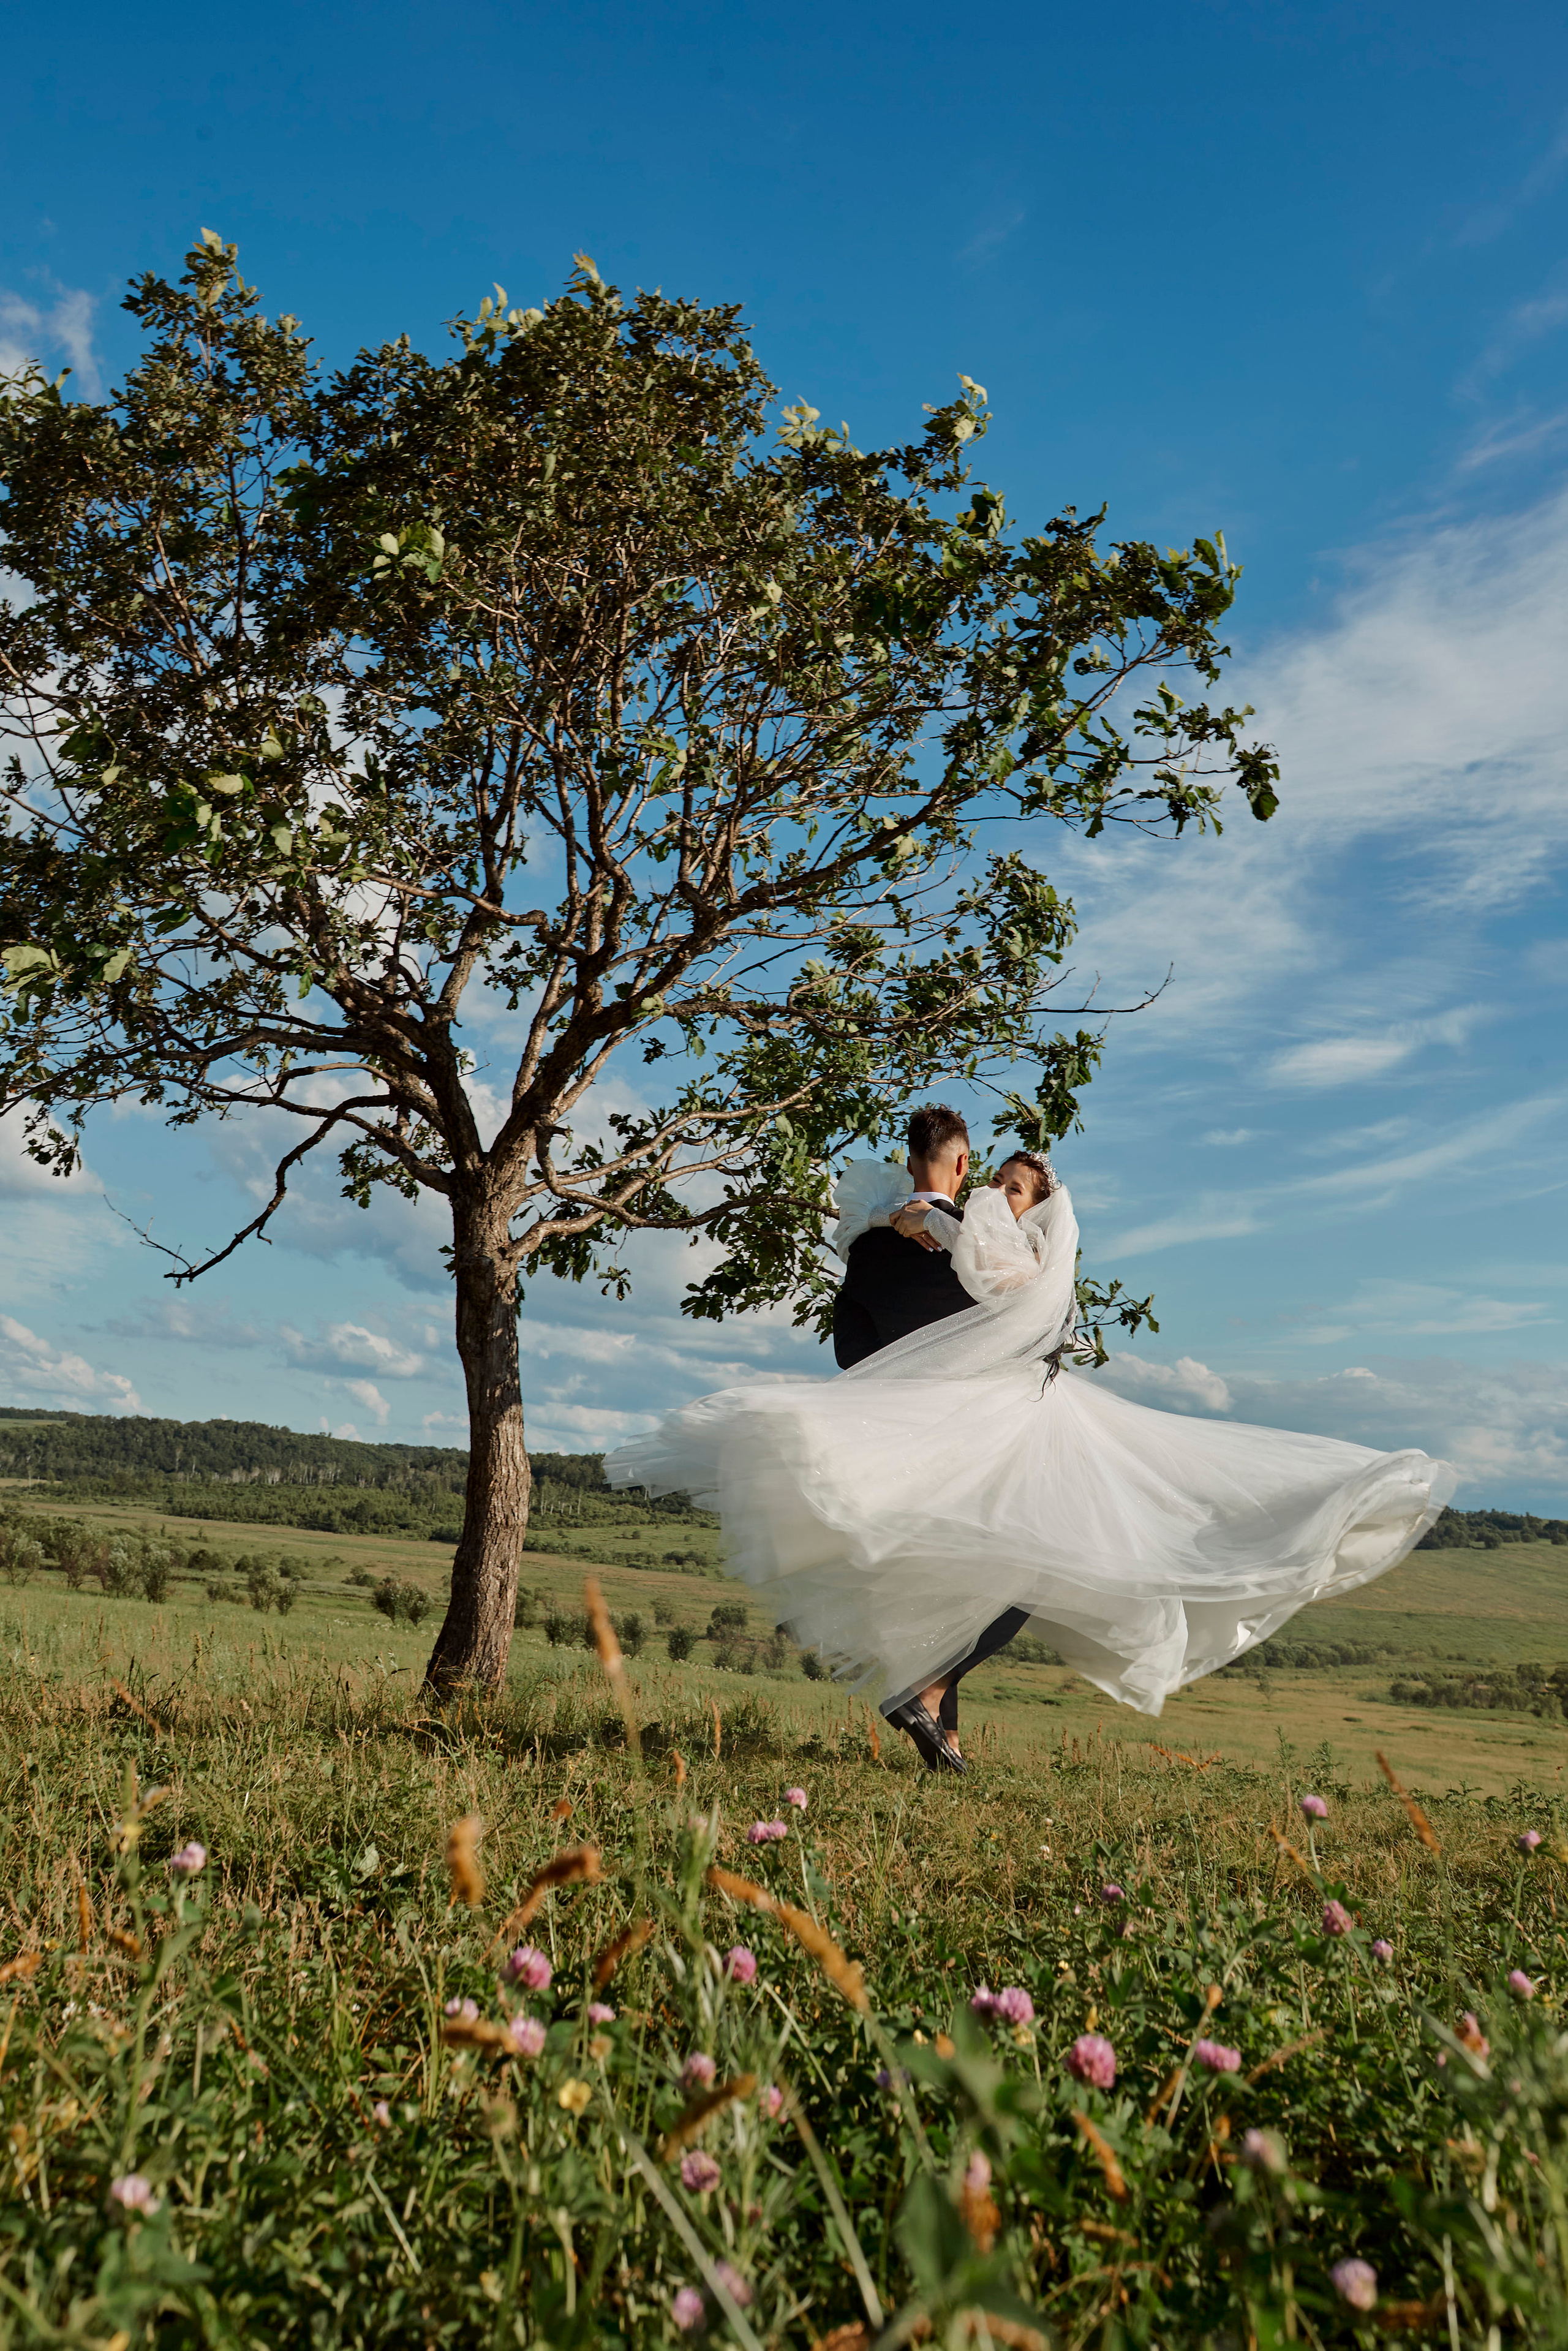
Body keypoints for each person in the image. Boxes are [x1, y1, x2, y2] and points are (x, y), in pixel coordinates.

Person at [605, 1130, 1454, 1776]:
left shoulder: (1006, 1254)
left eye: (1018, 1188)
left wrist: (935, 1240)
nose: (1002, 1196)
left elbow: (1008, 1324)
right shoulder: (951, 1239)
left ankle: (943, 1720)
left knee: (1013, 1560)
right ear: (968, 1166)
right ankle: (931, 1696)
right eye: (998, 1181)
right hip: (996, 1420)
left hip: (1028, 1419)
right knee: (1021, 1565)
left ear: (1038, 1204)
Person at [829, 1106, 1033, 1769]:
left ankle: (945, 1740)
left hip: (892, 1443)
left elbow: (851, 1351)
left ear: (909, 1158)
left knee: (948, 1585)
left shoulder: (866, 1244)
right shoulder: (983, 1246)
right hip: (972, 1439)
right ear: (964, 1164)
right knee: (1029, 1576)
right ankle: (925, 1689)